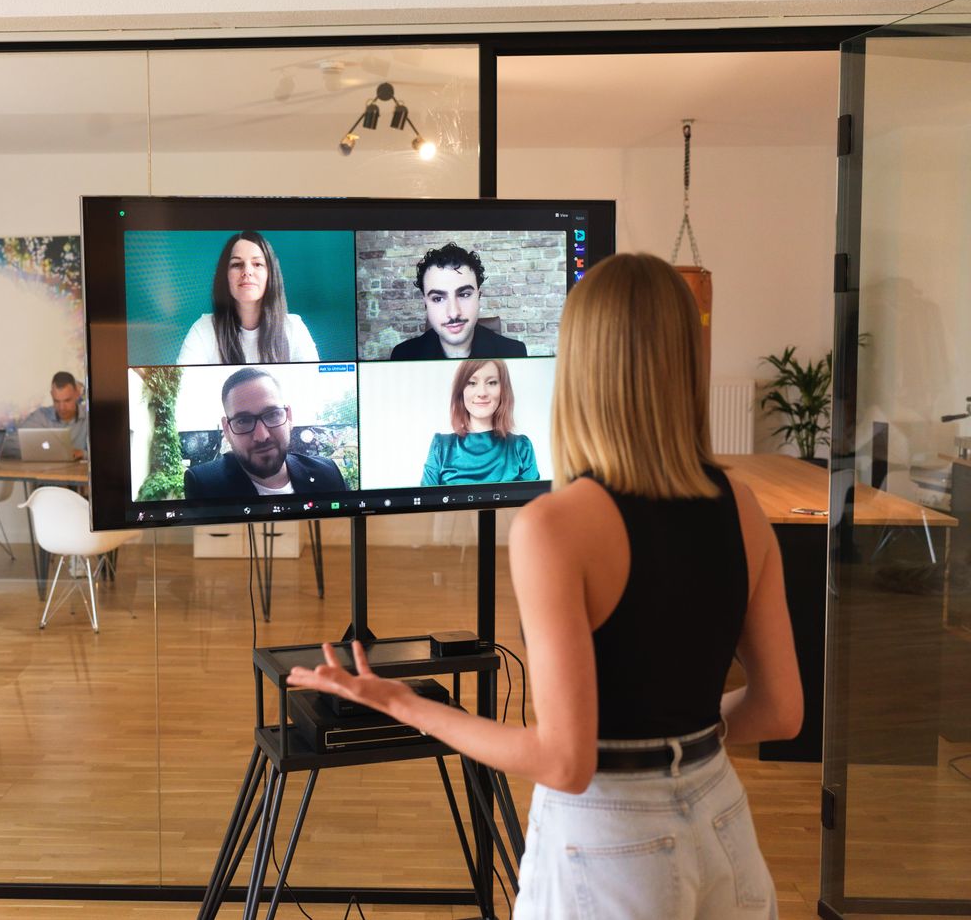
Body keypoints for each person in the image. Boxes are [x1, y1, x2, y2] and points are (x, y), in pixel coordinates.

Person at [290, 253, 803, 919]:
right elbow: (781, 711)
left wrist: (401, 702)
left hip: (614, 850)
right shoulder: (743, 505)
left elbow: (565, 761)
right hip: (725, 827)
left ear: (580, 364)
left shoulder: (554, 526)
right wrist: (680, 742)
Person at [183, 367, 346, 499]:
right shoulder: (205, 486)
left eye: (273, 414)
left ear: (288, 417)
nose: (262, 436)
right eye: (243, 420)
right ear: (227, 429)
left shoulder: (328, 474)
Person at [177, 231, 320, 365]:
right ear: (225, 276)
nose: (247, 272)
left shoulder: (294, 328)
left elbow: (314, 384)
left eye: (257, 264)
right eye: (237, 264)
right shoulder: (203, 329)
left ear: (270, 275)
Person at [390, 242, 528, 360]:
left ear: (478, 297)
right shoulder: (403, 356)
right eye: (438, 299)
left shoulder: (514, 353)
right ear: (425, 303)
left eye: (464, 295)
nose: (454, 313)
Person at [422, 359, 538, 486]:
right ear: (461, 391)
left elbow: (535, 504)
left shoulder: (521, 447)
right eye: (472, 383)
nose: (482, 393)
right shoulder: (441, 446)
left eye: (492, 382)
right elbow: (425, 504)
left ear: (503, 390)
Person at [11, 371, 87, 460]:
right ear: (51, 395)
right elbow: (11, 445)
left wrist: (83, 454)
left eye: (67, 401)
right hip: (46, 472)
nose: (62, 407)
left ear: (77, 394)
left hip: (79, 473)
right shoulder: (41, 416)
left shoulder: (91, 417)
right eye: (56, 401)